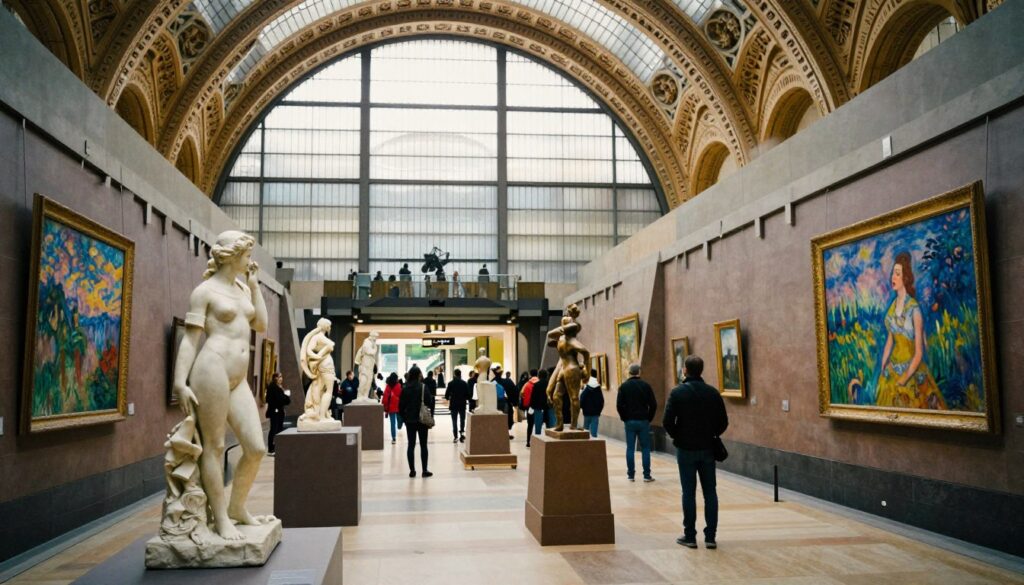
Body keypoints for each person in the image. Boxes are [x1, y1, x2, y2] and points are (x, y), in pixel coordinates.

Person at [172, 230, 272, 540]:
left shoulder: (242, 289)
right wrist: (179, 381)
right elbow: (190, 339)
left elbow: (261, 324)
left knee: (256, 448)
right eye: (247, 255)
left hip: (238, 377)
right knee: (214, 447)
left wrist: (255, 286)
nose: (250, 261)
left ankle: (236, 508)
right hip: (212, 369)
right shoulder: (204, 292)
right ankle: (220, 517)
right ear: (232, 256)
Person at [663, 355, 728, 549]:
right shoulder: (713, 393)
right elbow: (723, 422)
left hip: (686, 449)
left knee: (688, 493)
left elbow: (667, 422)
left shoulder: (677, 393)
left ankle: (690, 536)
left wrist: (678, 436)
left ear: (685, 370)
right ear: (701, 370)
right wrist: (712, 434)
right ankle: (710, 537)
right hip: (707, 449)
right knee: (710, 492)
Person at [874, 252, 945, 409]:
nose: (893, 277)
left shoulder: (914, 309)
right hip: (893, 370)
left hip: (911, 371)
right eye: (893, 273)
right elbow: (890, 339)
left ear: (905, 278)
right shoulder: (892, 307)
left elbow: (919, 352)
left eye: (897, 274)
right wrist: (883, 364)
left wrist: (904, 378)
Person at [616, 363, 657, 482]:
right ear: (639, 372)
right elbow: (653, 405)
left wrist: (624, 418)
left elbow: (619, 405)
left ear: (629, 373)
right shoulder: (646, 386)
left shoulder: (623, 387)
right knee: (645, 448)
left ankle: (631, 475)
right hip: (643, 420)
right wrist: (649, 418)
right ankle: (646, 475)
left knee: (630, 448)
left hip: (629, 421)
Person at [398, 366, 434, 478]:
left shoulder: (405, 388)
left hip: (410, 420)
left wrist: (404, 418)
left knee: (411, 445)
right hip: (422, 420)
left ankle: (412, 470)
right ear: (419, 375)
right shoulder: (423, 387)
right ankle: (424, 470)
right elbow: (429, 401)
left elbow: (400, 406)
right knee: (424, 445)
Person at [265, 372, 291, 455]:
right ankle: (271, 448)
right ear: (275, 378)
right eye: (280, 377)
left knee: (278, 429)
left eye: (281, 377)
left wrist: (285, 397)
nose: (281, 378)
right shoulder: (273, 387)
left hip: (279, 411)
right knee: (274, 429)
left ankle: (277, 447)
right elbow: (279, 400)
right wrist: (285, 396)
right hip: (275, 411)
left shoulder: (279, 387)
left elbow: (286, 401)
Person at [445, 368, 470, 442]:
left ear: (454, 374)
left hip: (453, 405)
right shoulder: (464, 383)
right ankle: (462, 435)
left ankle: (455, 436)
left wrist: (450, 397)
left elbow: (446, 395)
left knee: (454, 421)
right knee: (462, 420)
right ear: (460, 374)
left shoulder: (451, 383)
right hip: (462, 404)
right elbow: (468, 395)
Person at [493, 365, 518, 439]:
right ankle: (505, 433)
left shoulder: (492, 382)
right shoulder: (508, 381)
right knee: (506, 418)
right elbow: (515, 391)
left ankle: (496, 433)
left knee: (496, 418)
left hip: (495, 404)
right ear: (502, 373)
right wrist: (515, 403)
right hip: (505, 403)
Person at [579, 368, 604, 437]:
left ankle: (586, 445)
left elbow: (582, 399)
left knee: (586, 431)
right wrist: (599, 410)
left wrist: (581, 407)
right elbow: (601, 401)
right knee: (594, 432)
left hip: (587, 412)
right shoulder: (598, 388)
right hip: (595, 413)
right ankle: (594, 445)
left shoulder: (586, 388)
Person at [529, 368, 550, 440]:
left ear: (539, 376)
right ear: (547, 376)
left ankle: (539, 440)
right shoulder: (550, 384)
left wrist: (531, 406)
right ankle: (550, 439)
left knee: (538, 426)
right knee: (551, 425)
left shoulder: (536, 385)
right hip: (549, 407)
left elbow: (533, 397)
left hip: (538, 407)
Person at [382, 373, 403, 444]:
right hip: (398, 406)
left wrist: (385, 406)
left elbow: (385, 398)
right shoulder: (398, 385)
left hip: (391, 408)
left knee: (392, 423)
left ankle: (393, 438)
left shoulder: (388, 386)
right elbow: (401, 395)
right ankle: (399, 426)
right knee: (399, 419)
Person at [521, 369, 539, 447]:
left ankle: (528, 441)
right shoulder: (539, 383)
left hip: (530, 407)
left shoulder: (527, 384)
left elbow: (521, 393)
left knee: (530, 425)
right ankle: (539, 442)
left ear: (530, 374)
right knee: (539, 424)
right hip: (539, 407)